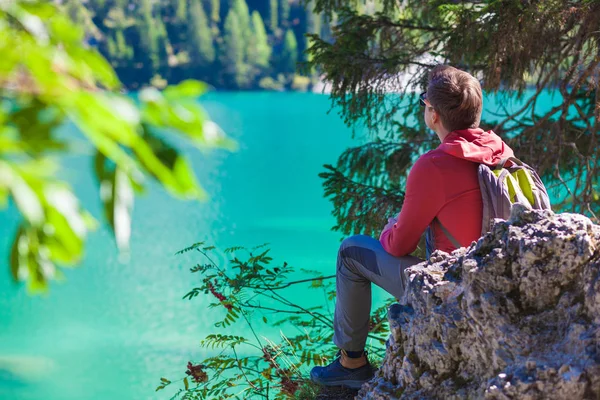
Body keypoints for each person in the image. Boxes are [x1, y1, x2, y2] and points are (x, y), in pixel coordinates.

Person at [310, 65, 515, 388]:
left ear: (433, 115)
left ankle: (352, 364)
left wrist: (390, 227)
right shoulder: (501, 153)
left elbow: (398, 246)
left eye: (425, 104)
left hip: (453, 292)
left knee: (351, 251)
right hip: (502, 286)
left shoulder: (434, 166)